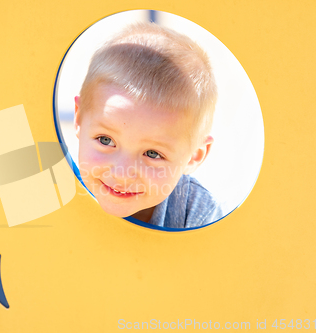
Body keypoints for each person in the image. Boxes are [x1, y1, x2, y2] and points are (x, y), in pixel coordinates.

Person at [74, 22, 222, 228]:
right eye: (105, 140)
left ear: (194, 156)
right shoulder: (57, 185)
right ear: (79, 118)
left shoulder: (196, 214)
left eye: (152, 153)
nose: (122, 173)